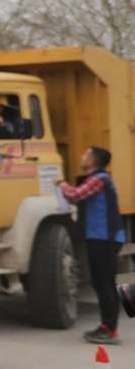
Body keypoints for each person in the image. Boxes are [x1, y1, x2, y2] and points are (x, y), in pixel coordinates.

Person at [57, 145, 124, 345]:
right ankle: (106, 326)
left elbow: (75, 195)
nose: (82, 156)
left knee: (104, 283)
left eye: (86, 154)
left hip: (105, 238)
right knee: (101, 282)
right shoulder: (98, 180)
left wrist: (60, 183)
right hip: (100, 237)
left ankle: (110, 329)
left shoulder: (99, 179)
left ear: (94, 160)